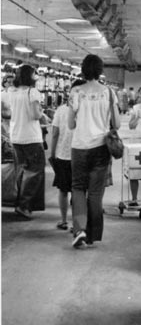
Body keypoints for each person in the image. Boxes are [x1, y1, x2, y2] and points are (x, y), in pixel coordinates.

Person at [68, 54, 120, 248]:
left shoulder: (75, 91)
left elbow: (70, 124)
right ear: (100, 70)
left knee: (78, 188)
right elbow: (117, 123)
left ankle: (80, 229)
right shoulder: (108, 92)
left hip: (79, 146)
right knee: (96, 193)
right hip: (100, 148)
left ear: (83, 69)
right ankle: (92, 235)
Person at [7, 65, 45, 220]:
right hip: (32, 137)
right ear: (30, 76)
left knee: (21, 170)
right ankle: (24, 205)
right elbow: (36, 115)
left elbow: (9, 112)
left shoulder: (11, 92)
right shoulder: (33, 92)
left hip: (15, 136)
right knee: (35, 171)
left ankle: (19, 203)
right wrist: (42, 112)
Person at [50, 79, 86, 231]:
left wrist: (52, 154)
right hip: (81, 155)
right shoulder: (86, 111)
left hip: (63, 155)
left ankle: (64, 220)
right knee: (79, 192)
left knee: (63, 190)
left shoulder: (60, 110)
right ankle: (76, 224)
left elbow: (55, 134)